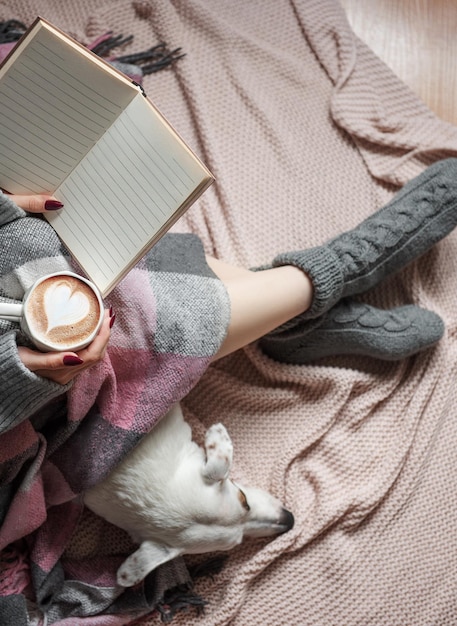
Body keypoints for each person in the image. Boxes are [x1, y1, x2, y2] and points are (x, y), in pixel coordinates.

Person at [0, 157, 456, 621]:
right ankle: (339, 269)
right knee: (127, 320)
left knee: (84, 263)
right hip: (36, 429)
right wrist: (18, 378)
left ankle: (290, 317)